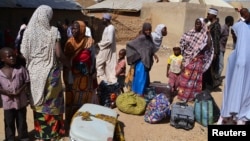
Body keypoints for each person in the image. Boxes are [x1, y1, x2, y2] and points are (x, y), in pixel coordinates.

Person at [20, 5, 71, 140]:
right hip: (50, 74)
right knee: (52, 104)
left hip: (34, 73)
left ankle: (41, 133)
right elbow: (59, 54)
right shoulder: (53, 31)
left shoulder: (28, 31)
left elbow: (23, 54)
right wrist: (68, 64)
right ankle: (53, 134)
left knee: (38, 104)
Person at [217, 13, 250, 125]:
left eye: (234, 34)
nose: (233, 37)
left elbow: (232, 84)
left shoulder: (239, 58)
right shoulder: (243, 53)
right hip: (243, 110)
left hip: (232, 107)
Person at [63, 20, 97, 129]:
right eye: (72, 28)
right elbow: (66, 60)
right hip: (72, 76)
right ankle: (70, 122)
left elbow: (93, 59)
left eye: (76, 28)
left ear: (82, 29)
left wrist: (93, 72)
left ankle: (82, 121)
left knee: (84, 99)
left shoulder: (89, 42)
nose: (73, 30)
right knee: (71, 99)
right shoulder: (69, 43)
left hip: (85, 78)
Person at [177, 18, 214, 102]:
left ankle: (192, 97)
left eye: (199, 23)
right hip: (188, 60)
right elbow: (182, 44)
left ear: (202, 25)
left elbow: (208, 46)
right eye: (196, 23)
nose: (197, 25)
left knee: (195, 81)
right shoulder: (189, 33)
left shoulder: (205, 36)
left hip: (198, 62)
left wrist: (208, 33)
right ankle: (182, 96)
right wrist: (185, 56)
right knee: (185, 79)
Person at [0, 47, 30, 141]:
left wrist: (20, 91)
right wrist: (5, 92)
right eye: (9, 56)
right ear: (2, 59)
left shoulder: (20, 69)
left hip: (20, 101)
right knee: (9, 122)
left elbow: (27, 81)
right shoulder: (0, 72)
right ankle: (10, 138)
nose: (12, 58)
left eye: (13, 56)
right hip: (8, 103)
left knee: (21, 121)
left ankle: (24, 137)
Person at [126, 22, 159, 96]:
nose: (148, 31)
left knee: (143, 78)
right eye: (147, 30)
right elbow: (130, 44)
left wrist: (154, 54)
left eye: (150, 30)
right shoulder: (141, 38)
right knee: (140, 78)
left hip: (146, 60)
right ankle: (139, 93)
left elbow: (149, 48)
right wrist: (137, 54)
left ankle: (140, 92)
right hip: (141, 62)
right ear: (143, 30)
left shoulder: (149, 37)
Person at [96, 13, 117, 84]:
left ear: (106, 19)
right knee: (104, 66)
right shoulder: (107, 28)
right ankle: (106, 81)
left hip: (106, 49)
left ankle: (105, 81)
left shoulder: (111, 28)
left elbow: (109, 41)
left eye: (103, 19)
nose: (102, 20)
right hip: (104, 48)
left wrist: (99, 44)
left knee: (98, 63)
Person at [203, 8, 221, 91]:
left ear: (213, 15)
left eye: (208, 14)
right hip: (208, 50)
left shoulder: (216, 25)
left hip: (213, 50)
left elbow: (217, 40)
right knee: (206, 68)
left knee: (211, 69)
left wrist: (215, 53)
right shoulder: (210, 24)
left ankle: (210, 86)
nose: (207, 15)